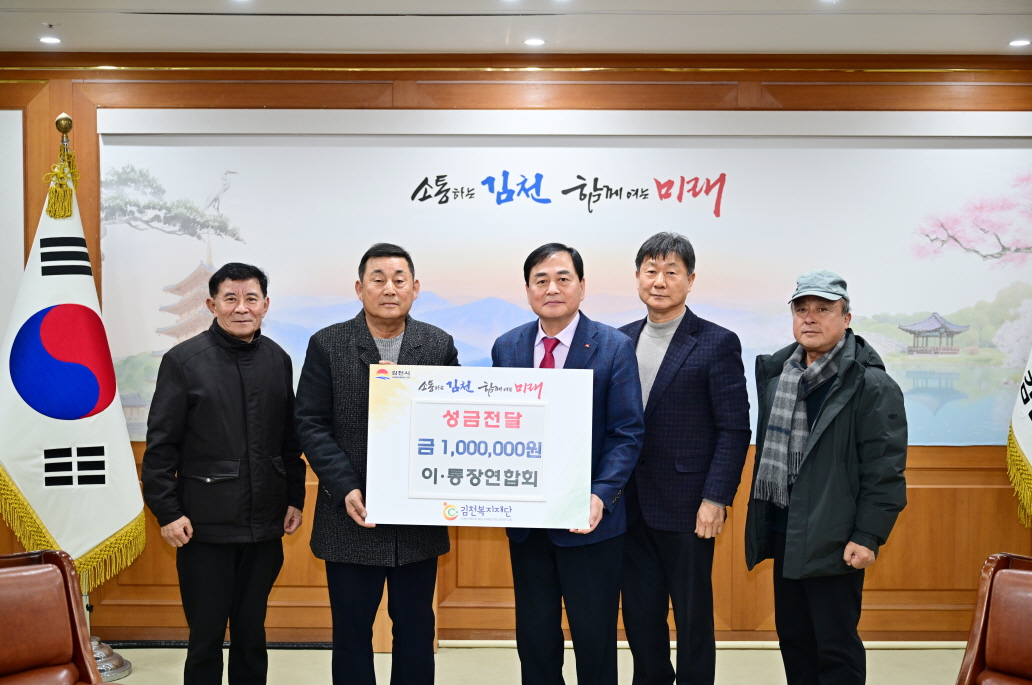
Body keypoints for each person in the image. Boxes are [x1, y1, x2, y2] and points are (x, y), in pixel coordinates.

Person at [294, 242, 459, 685]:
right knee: (352, 634)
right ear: (359, 287)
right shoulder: (328, 343)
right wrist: (345, 485)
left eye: (399, 279)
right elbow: (310, 423)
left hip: (416, 519)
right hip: (351, 514)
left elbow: (453, 419)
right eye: (378, 279)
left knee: (416, 630)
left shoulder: (437, 344)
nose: (389, 288)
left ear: (415, 288)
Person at [142, 262, 306, 685]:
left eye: (251, 298)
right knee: (206, 637)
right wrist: (167, 512)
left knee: (252, 634)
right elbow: (160, 449)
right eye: (230, 298)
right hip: (203, 529)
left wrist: (295, 497)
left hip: (264, 526)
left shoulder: (278, 359)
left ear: (265, 305)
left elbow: (289, 441)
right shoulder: (184, 361)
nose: (241, 308)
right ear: (212, 304)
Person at [491, 243, 645, 685]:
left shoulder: (614, 347)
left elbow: (627, 432)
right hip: (528, 522)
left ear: (581, 286)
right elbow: (495, 424)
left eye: (563, 278)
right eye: (541, 280)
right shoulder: (508, 346)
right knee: (535, 639)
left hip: (590, 521)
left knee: (594, 640)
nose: (552, 289)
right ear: (528, 290)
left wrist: (600, 495)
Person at [744, 270, 907, 685]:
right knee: (795, 641)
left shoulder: (871, 384)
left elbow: (884, 471)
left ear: (846, 319)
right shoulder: (779, 376)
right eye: (801, 309)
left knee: (835, 649)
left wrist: (868, 535)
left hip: (836, 539)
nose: (810, 318)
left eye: (823, 309)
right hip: (786, 532)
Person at [618, 232, 751, 685]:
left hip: (689, 506)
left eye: (671, 272)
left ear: (690, 280)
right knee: (640, 614)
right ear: (638, 277)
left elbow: (734, 429)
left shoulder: (716, 342)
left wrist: (716, 499)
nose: (660, 281)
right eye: (651, 271)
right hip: (628, 505)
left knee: (693, 618)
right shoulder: (619, 340)